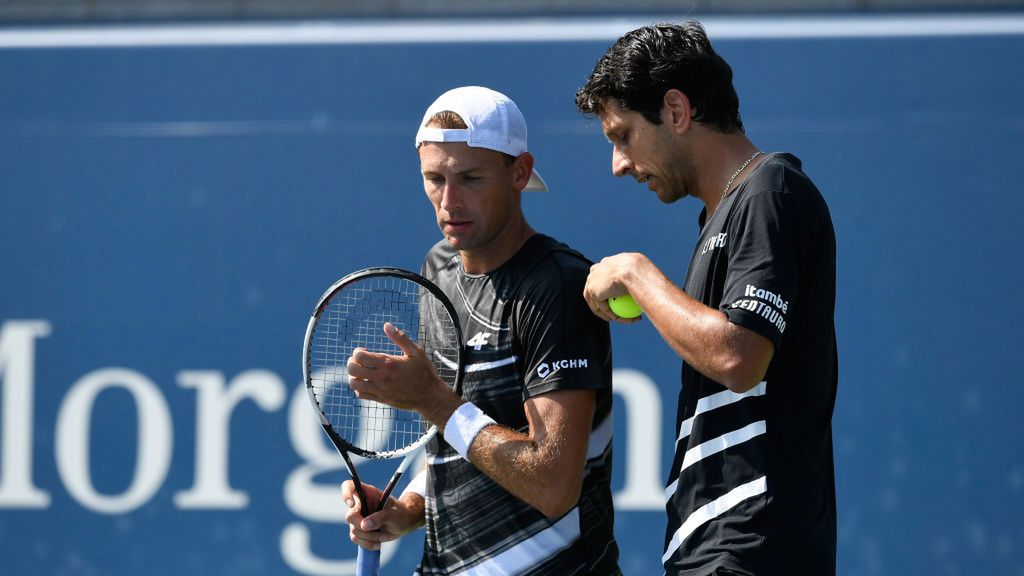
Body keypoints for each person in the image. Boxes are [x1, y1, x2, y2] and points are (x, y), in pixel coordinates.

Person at [575, 22, 837, 576]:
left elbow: (738, 357)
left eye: (623, 135)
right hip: (715, 549)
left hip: (753, 547)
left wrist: (636, 273)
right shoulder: (724, 212)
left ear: (675, 110)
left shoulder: (770, 192)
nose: (619, 164)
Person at [342, 86, 621, 575]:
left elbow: (552, 485)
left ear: (520, 172)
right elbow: (457, 438)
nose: (449, 201)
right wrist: (407, 508)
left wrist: (432, 399)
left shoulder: (557, 286)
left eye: (470, 178)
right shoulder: (438, 267)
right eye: (434, 179)